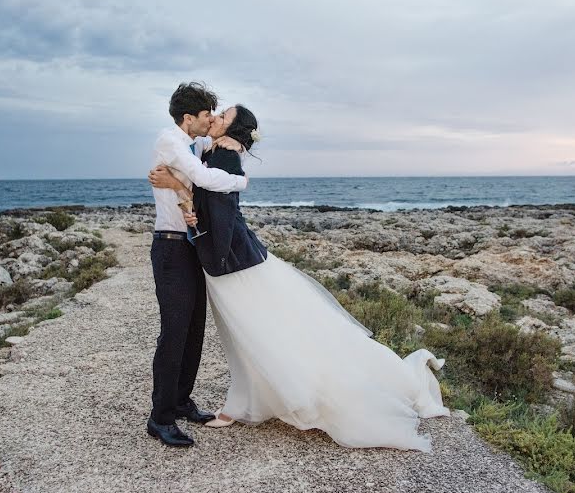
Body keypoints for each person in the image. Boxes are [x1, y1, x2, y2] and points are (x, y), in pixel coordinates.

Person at [149, 104, 450, 451]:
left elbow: (222, 212)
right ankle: (234, 401)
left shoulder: (226, 156)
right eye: (213, 114)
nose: (214, 118)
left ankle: (267, 399)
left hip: (234, 262)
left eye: (223, 116)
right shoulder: (212, 150)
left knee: (267, 331)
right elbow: (205, 193)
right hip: (225, 258)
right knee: (257, 331)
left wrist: (193, 209)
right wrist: (189, 199)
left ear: (233, 129)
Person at [146, 82, 250, 448]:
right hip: (171, 247)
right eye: (206, 115)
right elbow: (206, 178)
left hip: (192, 247)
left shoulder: (195, 142)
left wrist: (236, 142)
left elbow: (223, 144)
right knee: (174, 332)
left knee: (193, 330)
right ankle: (160, 418)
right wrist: (241, 181)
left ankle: (181, 401)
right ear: (188, 118)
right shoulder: (170, 141)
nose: (210, 121)